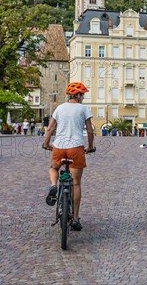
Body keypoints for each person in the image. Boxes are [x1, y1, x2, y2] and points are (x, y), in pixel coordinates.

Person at [43, 82, 94, 231]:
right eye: (82, 94)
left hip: (59, 147)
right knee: (76, 183)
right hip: (76, 147)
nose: (83, 97)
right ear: (78, 95)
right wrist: (90, 147)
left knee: (53, 168)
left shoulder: (59, 108)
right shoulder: (84, 109)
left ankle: (53, 185)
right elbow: (90, 131)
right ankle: (76, 219)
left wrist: (47, 144)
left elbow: (50, 128)